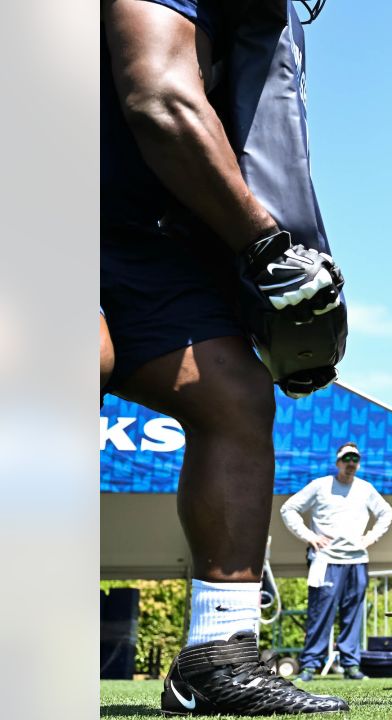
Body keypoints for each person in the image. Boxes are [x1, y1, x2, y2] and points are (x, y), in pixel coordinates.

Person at [101, 0, 348, 713]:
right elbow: (160, 97)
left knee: (234, 396)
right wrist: (267, 246)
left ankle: (220, 653)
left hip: (147, 240)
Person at [281, 442, 392, 681]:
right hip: (325, 560)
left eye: (355, 459)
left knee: (353, 614)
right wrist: (310, 537)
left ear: (359, 463)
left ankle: (351, 666)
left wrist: (370, 538)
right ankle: (310, 665)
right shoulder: (320, 485)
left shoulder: (365, 488)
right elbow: (288, 509)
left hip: (357, 560)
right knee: (320, 613)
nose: (351, 463)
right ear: (338, 462)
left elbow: (387, 513)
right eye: (347, 458)